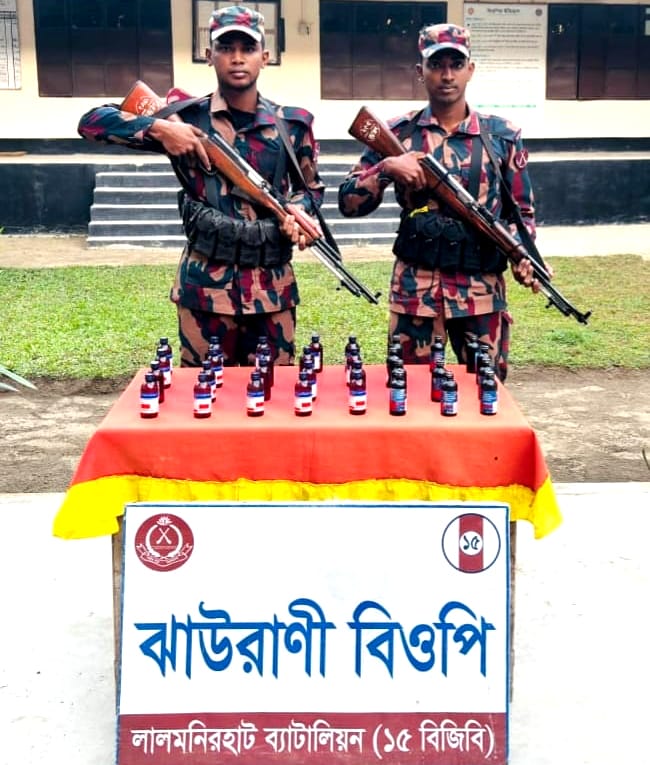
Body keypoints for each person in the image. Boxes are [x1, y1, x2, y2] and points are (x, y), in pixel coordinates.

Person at [78, 5, 325, 367]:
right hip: (204, 292)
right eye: (225, 48)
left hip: (271, 291)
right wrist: (160, 129)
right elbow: (91, 122)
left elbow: (311, 188)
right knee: (202, 393)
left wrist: (298, 210)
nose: (237, 58)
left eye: (248, 48)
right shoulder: (186, 119)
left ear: (265, 57)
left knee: (273, 394)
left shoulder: (292, 125)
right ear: (209, 55)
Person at [338, 23, 548, 381]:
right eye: (436, 65)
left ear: (470, 70)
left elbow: (521, 211)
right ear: (420, 71)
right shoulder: (398, 133)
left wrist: (522, 254)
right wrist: (387, 168)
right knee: (410, 392)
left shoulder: (501, 136)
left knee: (485, 392)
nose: (447, 75)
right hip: (415, 291)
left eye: (456, 64)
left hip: (480, 292)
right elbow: (348, 203)